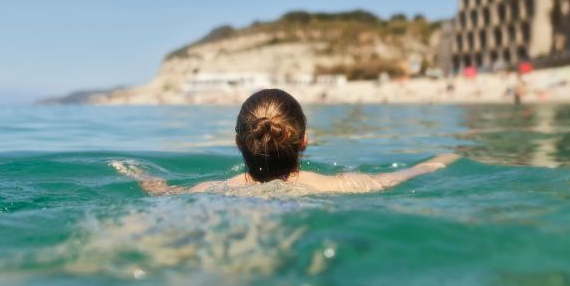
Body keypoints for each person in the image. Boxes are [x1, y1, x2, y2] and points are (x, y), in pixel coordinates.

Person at [113, 88, 459, 195]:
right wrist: (458, 152)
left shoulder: (213, 190)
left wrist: (137, 175)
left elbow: (163, 192)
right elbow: (420, 170)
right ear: (304, 141)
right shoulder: (341, 186)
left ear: (238, 142)